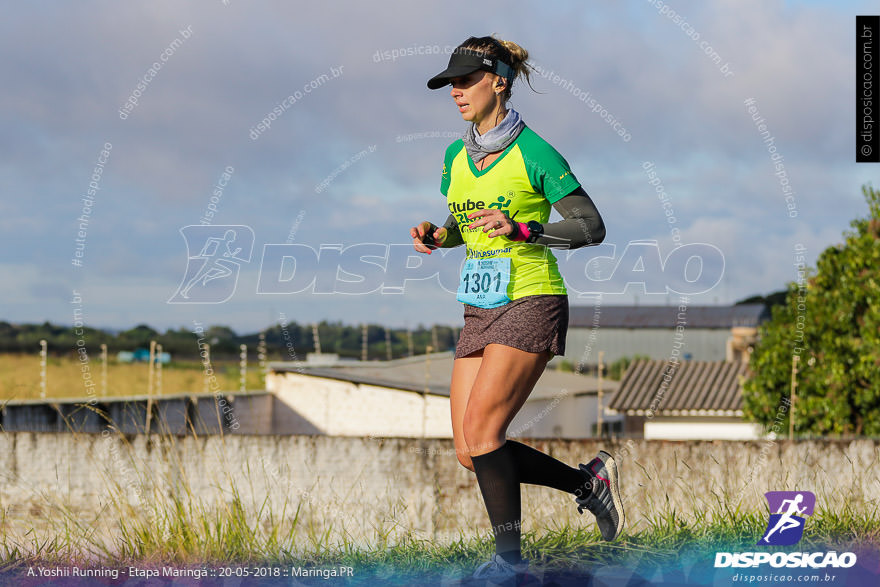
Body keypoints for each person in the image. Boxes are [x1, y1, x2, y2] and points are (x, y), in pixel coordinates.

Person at [409, 35, 624, 582]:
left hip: (532, 297)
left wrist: (524, 229)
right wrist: (438, 235)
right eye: (449, 84)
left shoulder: (537, 153)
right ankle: (587, 484)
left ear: (498, 81)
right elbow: (464, 224)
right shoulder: (455, 158)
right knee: (469, 449)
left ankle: (510, 567)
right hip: (479, 306)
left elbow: (591, 228)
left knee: (483, 434)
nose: (455, 92)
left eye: (465, 81)